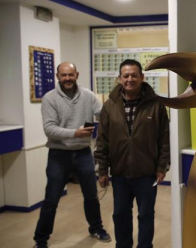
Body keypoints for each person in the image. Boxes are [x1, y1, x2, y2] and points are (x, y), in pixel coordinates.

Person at [34, 62, 111, 248]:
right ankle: (41, 239)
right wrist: (74, 133)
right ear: (57, 77)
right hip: (58, 155)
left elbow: (103, 115)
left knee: (91, 195)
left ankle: (96, 228)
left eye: (70, 74)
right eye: (63, 75)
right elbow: (49, 129)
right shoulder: (50, 98)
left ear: (77, 74)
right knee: (52, 199)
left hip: (83, 153)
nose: (67, 78)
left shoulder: (88, 95)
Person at [95, 59, 170, 248]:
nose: (130, 79)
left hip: (147, 173)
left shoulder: (156, 105)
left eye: (134, 75)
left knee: (146, 215)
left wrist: (162, 167)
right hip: (120, 174)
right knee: (120, 215)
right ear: (119, 79)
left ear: (142, 77)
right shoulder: (109, 106)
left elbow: (164, 139)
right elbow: (102, 140)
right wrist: (102, 170)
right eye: (126, 75)